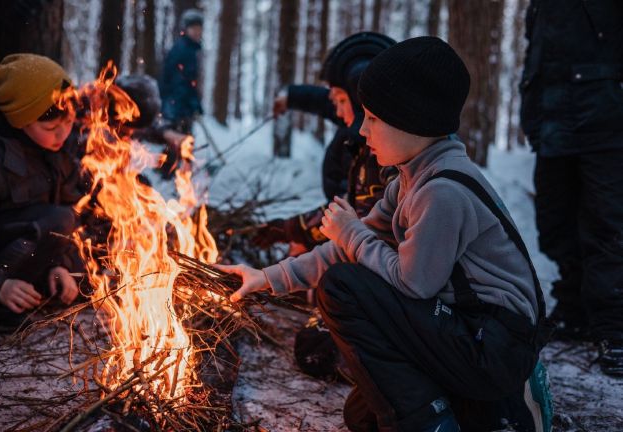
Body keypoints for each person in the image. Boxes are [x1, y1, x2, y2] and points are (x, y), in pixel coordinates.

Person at [218, 37, 553, 432]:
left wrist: (352, 235)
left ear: (413, 121)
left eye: (374, 118)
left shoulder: (442, 191)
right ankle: (492, 410)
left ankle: (438, 421)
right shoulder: (410, 179)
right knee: (361, 417)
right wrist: (267, 278)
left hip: (494, 345)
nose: (362, 130)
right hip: (465, 333)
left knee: (342, 288)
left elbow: (413, 284)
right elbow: (345, 251)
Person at [519, 0, 623, 375]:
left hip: (606, 123)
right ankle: (575, 309)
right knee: (555, 222)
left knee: (607, 226)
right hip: (552, 124)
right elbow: (538, 59)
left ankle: (614, 329)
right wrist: (531, 114)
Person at [257, 32, 397, 253]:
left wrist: (296, 231)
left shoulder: (383, 156)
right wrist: (292, 97)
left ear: (361, 101)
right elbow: (327, 102)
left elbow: (359, 219)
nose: (339, 112)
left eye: (341, 100)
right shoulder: (360, 135)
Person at [0, 54, 81, 332]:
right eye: (50, 128)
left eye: (68, 123)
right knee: (56, 220)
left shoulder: (58, 151)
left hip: (20, 249)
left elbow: (67, 206)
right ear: (19, 121)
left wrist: (60, 265)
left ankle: (38, 284)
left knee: (72, 231)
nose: (62, 135)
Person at [159, 8, 204, 134]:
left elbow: (190, 82)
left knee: (182, 145)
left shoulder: (191, 50)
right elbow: (179, 82)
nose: (197, 32)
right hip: (176, 109)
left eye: (199, 28)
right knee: (178, 145)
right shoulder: (182, 50)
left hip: (182, 108)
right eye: (193, 28)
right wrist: (191, 102)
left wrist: (195, 104)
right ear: (185, 29)